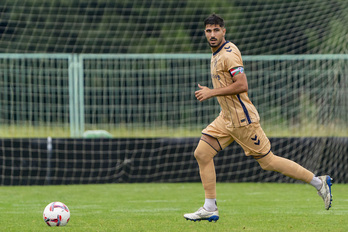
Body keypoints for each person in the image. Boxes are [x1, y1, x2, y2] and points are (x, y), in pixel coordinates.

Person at [183, 14, 333, 222]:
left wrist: (211, 92)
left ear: (224, 31)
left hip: (243, 121)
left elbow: (242, 85)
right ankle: (210, 207)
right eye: (209, 30)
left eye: (216, 30)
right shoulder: (216, 53)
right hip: (226, 118)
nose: (212, 34)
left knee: (268, 162)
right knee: (202, 153)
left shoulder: (229, 54)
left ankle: (319, 183)